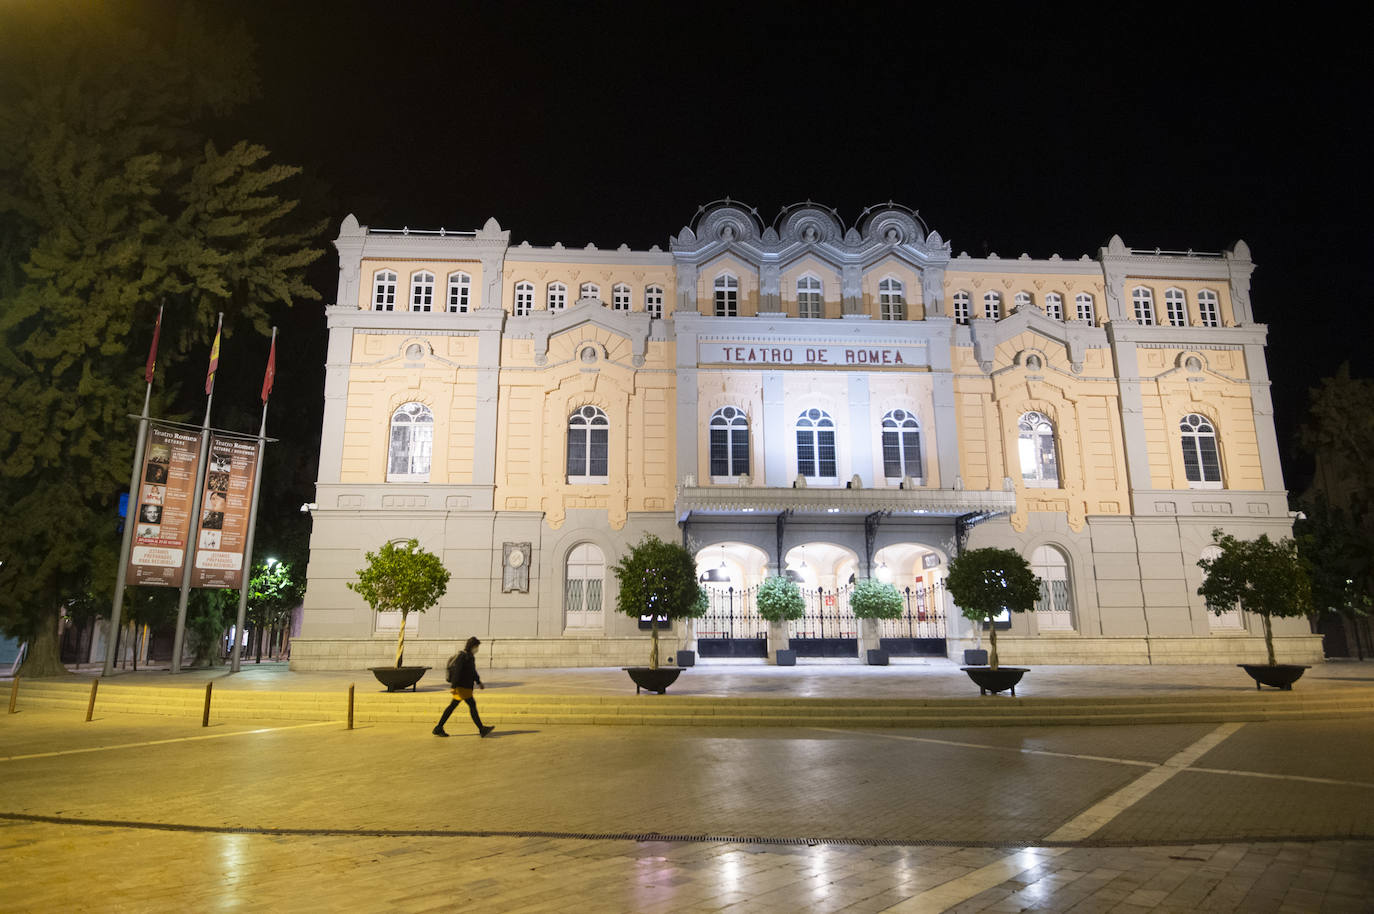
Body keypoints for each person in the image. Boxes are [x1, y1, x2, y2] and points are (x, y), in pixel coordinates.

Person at [433, 636, 493, 738]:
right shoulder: (463, 656)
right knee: (470, 706)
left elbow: (473, 672)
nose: (477, 649)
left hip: (465, 687)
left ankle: (439, 727)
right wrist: (453, 686)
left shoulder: (470, 656)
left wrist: (478, 682)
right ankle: (481, 729)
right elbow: (457, 671)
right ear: (472, 646)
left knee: (453, 707)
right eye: (476, 647)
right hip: (461, 687)